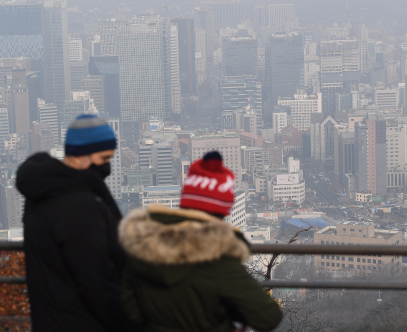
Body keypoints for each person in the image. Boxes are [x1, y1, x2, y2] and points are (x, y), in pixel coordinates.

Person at [119, 151, 282, 332]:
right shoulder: (219, 261)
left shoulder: (142, 246)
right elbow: (268, 317)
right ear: (221, 212)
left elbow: (129, 310)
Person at [17, 115, 141, 332]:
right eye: (104, 159)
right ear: (82, 155)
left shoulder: (41, 193)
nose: (107, 167)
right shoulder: (79, 206)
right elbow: (96, 283)